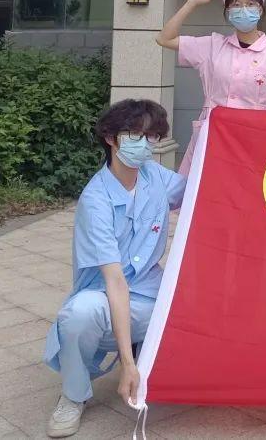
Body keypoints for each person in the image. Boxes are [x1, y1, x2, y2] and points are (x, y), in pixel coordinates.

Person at [43, 99, 185, 438]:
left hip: (150, 293)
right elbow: (115, 282)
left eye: (151, 136)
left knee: (199, 309)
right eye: (134, 135)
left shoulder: (155, 176)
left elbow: (201, 191)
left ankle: (147, 354)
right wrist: (127, 365)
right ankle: (74, 395)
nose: (144, 144)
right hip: (105, 296)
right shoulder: (96, 200)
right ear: (110, 138)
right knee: (78, 316)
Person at [156, 0, 266, 175]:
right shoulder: (212, 45)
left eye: (250, 4)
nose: (244, 10)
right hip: (214, 135)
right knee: (207, 186)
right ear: (228, 12)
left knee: (247, 189)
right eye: (236, 5)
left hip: (255, 138)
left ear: (260, 9)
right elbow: (164, 39)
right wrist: (192, 3)